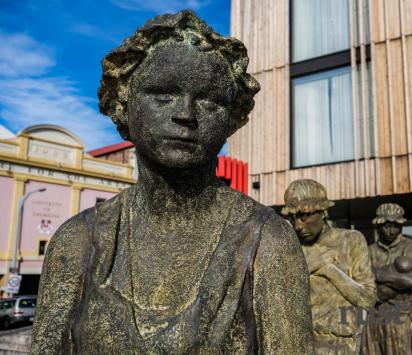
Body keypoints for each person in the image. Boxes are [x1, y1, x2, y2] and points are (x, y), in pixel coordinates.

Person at [31, 10, 314, 354]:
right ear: (123, 104)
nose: (186, 114)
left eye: (210, 100)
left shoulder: (267, 240)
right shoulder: (76, 243)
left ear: (231, 118)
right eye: (163, 95)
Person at [282, 179, 376, 354]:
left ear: (323, 212)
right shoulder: (288, 248)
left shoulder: (350, 240)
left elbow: (367, 299)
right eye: (292, 217)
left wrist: (329, 269)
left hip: (339, 346)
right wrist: (309, 266)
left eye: (304, 216)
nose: (297, 226)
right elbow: (276, 297)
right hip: (296, 344)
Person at [361, 203, 412, 355]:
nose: (391, 231)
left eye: (396, 226)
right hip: (375, 315)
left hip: (401, 315)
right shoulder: (370, 250)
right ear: (378, 226)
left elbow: (410, 281)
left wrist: (376, 274)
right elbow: (363, 282)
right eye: (387, 226)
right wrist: (395, 279)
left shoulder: (411, 246)